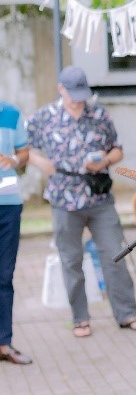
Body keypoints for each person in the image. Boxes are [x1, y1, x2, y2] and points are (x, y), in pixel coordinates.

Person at [25, 66, 136, 338]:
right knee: (71, 260)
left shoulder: (99, 115)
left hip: (99, 196)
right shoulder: (44, 117)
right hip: (64, 198)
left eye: (82, 95)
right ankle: (80, 318)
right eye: (73, 95)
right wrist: (41, 163)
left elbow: (118, 149)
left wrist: (105, 160)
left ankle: (127, 313)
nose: (78, 101)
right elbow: (23, 147)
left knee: (115, 253)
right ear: (60, 89)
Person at [0, 102, 32, 365]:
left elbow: (24, 153)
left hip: (8, 204)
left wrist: (14, 160)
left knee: (4, 276)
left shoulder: (11, 114)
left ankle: (4, 343)